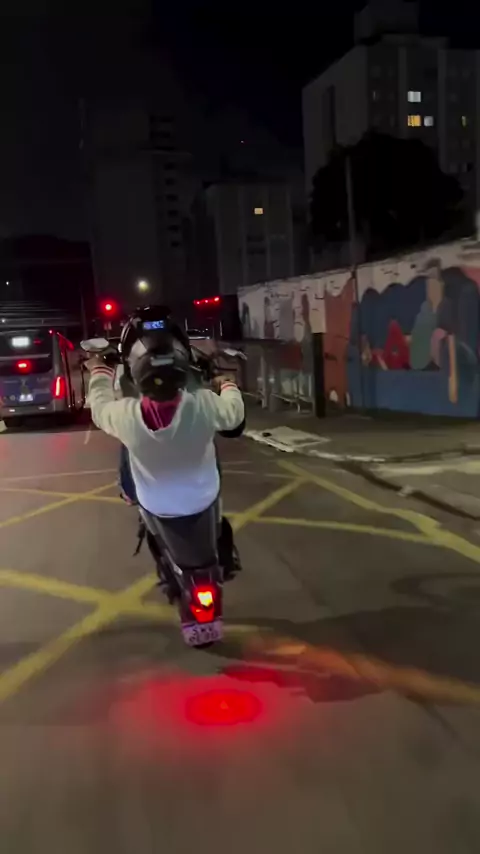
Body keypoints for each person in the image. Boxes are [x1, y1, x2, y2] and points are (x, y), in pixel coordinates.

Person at [86, 306, 245, 579]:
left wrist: (100, 370)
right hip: (203, 497)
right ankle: (225, 561)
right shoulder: (204, 404)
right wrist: (228, 385)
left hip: (156, 503)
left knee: (128, 447)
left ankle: (131, 498)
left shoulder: (125, 416)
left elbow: (99, 407)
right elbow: (234, 416)